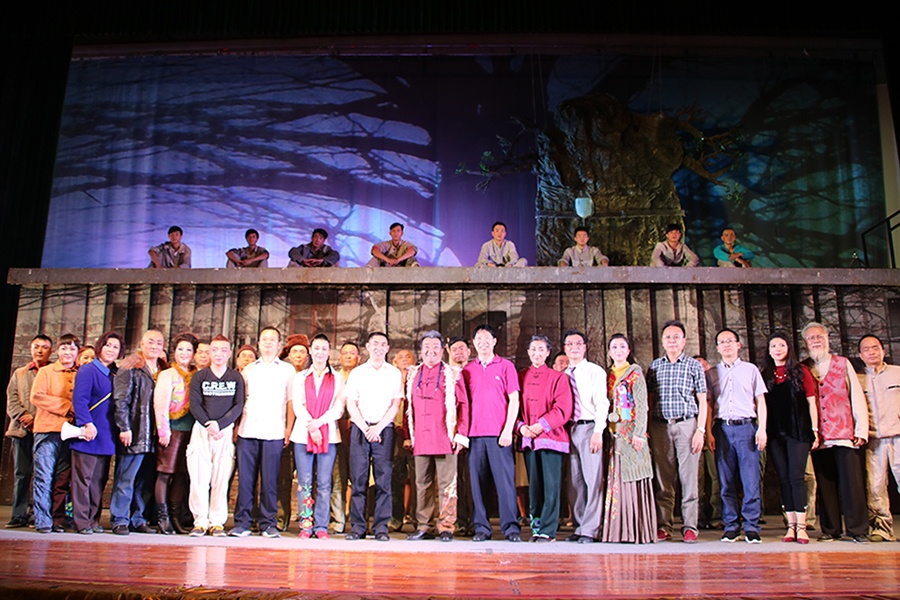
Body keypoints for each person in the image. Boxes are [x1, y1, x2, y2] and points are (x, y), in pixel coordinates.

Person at [801, 322, 869, 543]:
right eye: (811, 338)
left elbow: (856, 395)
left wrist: (861, 429)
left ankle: (858, 530)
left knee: (852, 483)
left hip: (844, 433)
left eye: (819, 337)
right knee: (825, 483)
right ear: (805, 343)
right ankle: (830, 529)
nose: (816, 341)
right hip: (819, 437)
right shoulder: (803, 368)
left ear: (827, 339)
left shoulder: (842, 363)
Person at [405, 331, 470, 542]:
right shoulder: (413, 374)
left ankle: (446, 526)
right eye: (426, 346)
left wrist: (461, 434)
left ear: (442, 350)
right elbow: (408, 407)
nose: (430, 351)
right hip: (421, 438)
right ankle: (424, 525)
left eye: (435, 346)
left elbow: (463, 405)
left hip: (445, 437)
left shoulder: (453, 374)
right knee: (421, 483)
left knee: (447, 485)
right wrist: (408, 435)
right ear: (421, 350)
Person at [646, 320, 707, 542]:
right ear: (662, 341)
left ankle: (690, 526)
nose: (672, 341)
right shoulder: (655, 366)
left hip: (686, 424)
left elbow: (702, 400)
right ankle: (664, 525)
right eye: (668, 337)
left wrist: (700, 429)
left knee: (689, 477)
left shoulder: (693, 366)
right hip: (660, 425)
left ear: (684, 341)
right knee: (664, 478)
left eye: (676, 337)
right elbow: (650, 399)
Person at [231, 327, 295, 538]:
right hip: (247, 430)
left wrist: (288, 428)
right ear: (258, 343)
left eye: (272, 339)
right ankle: (242, 523)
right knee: (245, 480)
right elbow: (240, 400)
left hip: (274, 432)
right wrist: (236, 427)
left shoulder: (288, 370)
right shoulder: (249, 370)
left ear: (279, 345)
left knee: (269, 481)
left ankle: (268, 523)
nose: (268, 342)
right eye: (264, 339)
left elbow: (291, 401)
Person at [705, 328, 768, 543]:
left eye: (730, 341)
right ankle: (731, 526)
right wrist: (708, 432)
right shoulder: (712, 373)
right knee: (726, 481)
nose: (726, 345)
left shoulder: (751, 370)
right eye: (722, 342)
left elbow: (760, 401)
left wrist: (762, 428)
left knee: (750, 481)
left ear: (738, 345)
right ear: (717, 347)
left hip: (747, 428)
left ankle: (751, 527)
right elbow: (709, 404)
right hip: (722, 429)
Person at [463, 324, 522, 542]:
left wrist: (508, 430)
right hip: (474, 435)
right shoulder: (468, 370)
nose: (483, 342)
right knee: (477, 485)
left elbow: (514, 400)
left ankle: (511, 528)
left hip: (500, 435)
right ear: (474, 343)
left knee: (505, 483)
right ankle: (482, 527)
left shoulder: (506, 366)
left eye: (487, 338)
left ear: (495, 341)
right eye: (479, 338)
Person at [344, 332, 404, 541]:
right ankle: (358, 527)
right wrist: (365, 427)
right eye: (375, 344)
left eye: (383, 344)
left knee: (383, 481)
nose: (379, 347)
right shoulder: (357, 373)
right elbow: (351, 403)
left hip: (384, 430)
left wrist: (378, 428)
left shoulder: (394, 373)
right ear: (368, 347)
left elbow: (395, 404)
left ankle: (381, 528)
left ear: (387, 348)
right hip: (360, 429)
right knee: (358, 480)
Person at [287, 334, 345, 539]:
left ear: (329, 352)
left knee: (324, 483)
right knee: (304, 481)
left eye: (324, 349)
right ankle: (305, 524)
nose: (320, 352)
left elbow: (339, 407)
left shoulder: (337, 378)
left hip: (329, 435)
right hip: (303, 435)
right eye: (316, 348)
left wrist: (319, 423)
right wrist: (312, 427)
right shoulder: (300, 377)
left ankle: (321, 525)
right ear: (310, 351)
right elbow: (297, 405)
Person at [762, 331, 818, 544]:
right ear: (769, 351)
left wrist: (815, 430)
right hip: (775, 433)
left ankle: (802, 526)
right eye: (773, 346)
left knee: (797, 477)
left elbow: (811, 402)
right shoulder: (765, 374)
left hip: (799, 431)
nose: (778, 349)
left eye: (781, 345)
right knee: (783, 478)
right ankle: (791, 525)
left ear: (788, 348)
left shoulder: (800, 371)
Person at [188, 335, 245, 537]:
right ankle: (200, 521)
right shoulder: (199, 376)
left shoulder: (236, 377)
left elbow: (238, 405)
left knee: (221, 479)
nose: (219, 354)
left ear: (229, 353)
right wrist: (208, 424)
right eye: (214, 350)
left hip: (224, 432)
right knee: (199, 478)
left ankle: (217, 522)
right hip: (201, 430)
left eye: (223, 350)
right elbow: (194, 404)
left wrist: (220, 425)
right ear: (209, 352)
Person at [517, 335, 573, 542]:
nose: (537, 353)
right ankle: (536, 527)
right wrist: (521, 427)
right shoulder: (521, 376)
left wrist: (541, 425)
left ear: (548, 353)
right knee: (534, 486)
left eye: (541, 349)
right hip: (529, 439)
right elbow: (513, 405)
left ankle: (548, 530)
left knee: (551, 486)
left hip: (551, 437)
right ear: (528, 352)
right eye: (533, 349)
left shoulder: (558, 378)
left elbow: (563, 408)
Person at [111, 329, 167, 535]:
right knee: (126, 478)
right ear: (142, 344)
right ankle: (119, 519)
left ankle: (138, 519)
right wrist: (124, 427)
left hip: (154, 435)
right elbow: (120, 399)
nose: (154, 346)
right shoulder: (130, 367)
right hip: (135, 430)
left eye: (158, 343)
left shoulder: (163, 369)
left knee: (144, 480)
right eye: (150, 342)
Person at [602, 333, 656, 543]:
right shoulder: (607, 375)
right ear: (609, 351)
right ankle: (616, 531)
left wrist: (640, 433)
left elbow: (642, 406)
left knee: (631, 479)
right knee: (615, 480)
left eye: (622, 347)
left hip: (630, 434)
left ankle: (634, 531)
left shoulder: (635, 374)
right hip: (611, 435)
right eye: (614, 347)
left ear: (629, 351)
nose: (618, 351)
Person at [70, 332, 123, 534]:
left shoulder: (116, 373)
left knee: (98, 480)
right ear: (100, 347)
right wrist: (86, 423)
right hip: (89, 432)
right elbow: (80, 400)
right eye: (108, 345)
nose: (111, 350)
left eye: (115, 347)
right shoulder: (88, 370)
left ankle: (93, 520)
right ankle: (82, 522)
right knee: (83, 479)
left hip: (107, 434)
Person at [30, 333, 80, 533]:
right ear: (57, 351)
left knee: (63, 478)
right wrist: (67, 406)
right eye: (64, 348)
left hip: (71, 433)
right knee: (44, 475)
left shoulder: (80, 373)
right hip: (47, 430)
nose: (68, 352)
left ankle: (58, 519)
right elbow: (37, 396)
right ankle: (42, 520)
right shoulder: (46, 371)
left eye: (72, 349)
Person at [562, 329, 608, 544]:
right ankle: (579, 525)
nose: (574, 347)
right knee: (575, 481)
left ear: (585, 347)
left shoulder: (594, 371)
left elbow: (602, 403)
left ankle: (591, 529)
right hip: (569, 429)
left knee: (592, 479)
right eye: (570, 344)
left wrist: (598, 431)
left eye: (578, 344)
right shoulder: (563, 375)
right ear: (565, 349)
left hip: (589, 428)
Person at [152, 332, 198, 534]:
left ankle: (176, 516)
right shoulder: (167, 374)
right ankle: (162, 518)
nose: (184, 353)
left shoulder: (197, 374)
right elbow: (160, 404)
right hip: (171, 430)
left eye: (188, 349)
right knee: (165, 473)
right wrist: (163, 431)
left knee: (182, 475)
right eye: (180, 349)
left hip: (191, 431)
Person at [5, 334, 52, 528]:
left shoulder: (53, 372)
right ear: (31, 349)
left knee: (42, 474)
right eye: (36, 346)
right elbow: (12, 399)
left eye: (44, 347)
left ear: (51, 350)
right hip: (22, 430)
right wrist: (24, 416)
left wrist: (37, 418)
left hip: (45, 430)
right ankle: (18, 514)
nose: (39, 350)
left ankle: (36, 513)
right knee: (22, 473)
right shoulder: (20, 373)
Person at [857, 334, 900, 542]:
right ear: (860, 355)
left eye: (875, 348)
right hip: (873, 439)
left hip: (898, 435)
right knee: (875, 485)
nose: (871, 352)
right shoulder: (858, 379)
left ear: (883, 351)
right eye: (866, 349)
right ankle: (882, 528)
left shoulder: (897, 373)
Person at [329, 341, 360, 535]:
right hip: (337, 434)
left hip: (359, 434)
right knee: (337, 479)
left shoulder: (363, 376)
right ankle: (338, 520)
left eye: (352, 353)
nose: (348, 356)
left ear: (359, 357)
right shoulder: (334, 378)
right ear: (340, 357)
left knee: (359, 479)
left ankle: (358, 522)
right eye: (345, 353)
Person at [446, 336, 474, 537]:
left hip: (476, 432)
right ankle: (459, 520)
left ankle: (475, 522)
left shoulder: (475, 371)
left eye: (462, 348)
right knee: (454, 480)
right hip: (453, 434)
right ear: (448, 351)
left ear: (469, 352)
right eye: (454, 349)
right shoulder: (446, 374)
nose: (458, 352)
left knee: (473, 480)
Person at [391, 348, 417, 532]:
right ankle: (395, 518)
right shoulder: (390, 380)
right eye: (400, 357)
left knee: (417, 479)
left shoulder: (418, 380)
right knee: (395, 478)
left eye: (408, 356)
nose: (405, 359)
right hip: (394, 434)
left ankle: (417, 519)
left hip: (416, 436)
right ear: (394, 362)